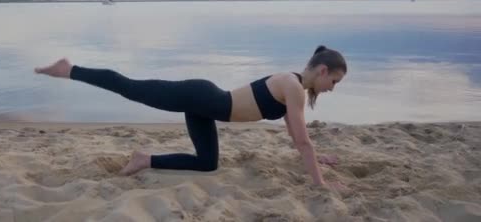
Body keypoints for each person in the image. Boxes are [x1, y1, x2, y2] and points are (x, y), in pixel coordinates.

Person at [34, 45, 347, 188]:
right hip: (200, 97)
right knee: (130, 88)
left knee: (208, 163)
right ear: (322, 70)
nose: (332, 88)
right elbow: (303, 141)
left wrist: (319, 159)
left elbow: (297, 136)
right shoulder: (293, 86)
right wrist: (320, 182)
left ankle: (144, 159)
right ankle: (68, 69)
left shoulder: (294, 87)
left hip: (205, 108)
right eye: (333, 81)